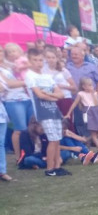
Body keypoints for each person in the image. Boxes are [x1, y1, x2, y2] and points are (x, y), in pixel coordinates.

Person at [25, 47, 69, 176]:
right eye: (35, 60)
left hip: (54, 110)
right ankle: (50, 169)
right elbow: (39, 95)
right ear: (30, 61)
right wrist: (50, 95)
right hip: (43, 111)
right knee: (52, 139)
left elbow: (61, 94)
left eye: (40, 60)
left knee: (57, 139)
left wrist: (47, 93)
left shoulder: (47, 77)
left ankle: (57, 166)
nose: (38, 63)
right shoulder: (30, 75)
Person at [65, 76, 98, 149]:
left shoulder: (94, 93)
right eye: (89, 85)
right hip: (88, 112)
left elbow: (96, 103)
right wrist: (68, 113)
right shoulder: (81, 94)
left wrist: (93, 94)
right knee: (93, 132)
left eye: (92, 85)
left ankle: (86, 140)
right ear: (84, 86)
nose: (92, 86)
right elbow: (74, 104)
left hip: (96, 112)